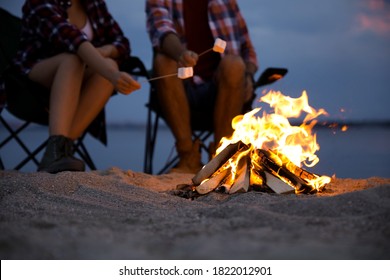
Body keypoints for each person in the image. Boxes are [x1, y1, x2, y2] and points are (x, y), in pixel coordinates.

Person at [11, 0, 141, 173]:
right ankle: (57, 148)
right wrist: (112, 75)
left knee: (109, 63)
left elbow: (122, 43)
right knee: (74, 59)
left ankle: (60, 148)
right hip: (33, 79)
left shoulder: (94, 4)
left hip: (79, 83)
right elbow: (73, 40)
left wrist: (104, 53)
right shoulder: (39, 3)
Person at [146, 0, 258, 174]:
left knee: (235, 64)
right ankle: (188, 156)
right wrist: (181, 54)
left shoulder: (226, 2)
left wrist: (249, 76)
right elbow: (161, 32)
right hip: (181, 88)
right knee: (164, 60)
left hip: (223, 89)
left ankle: (220, 158)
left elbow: (249, 52)